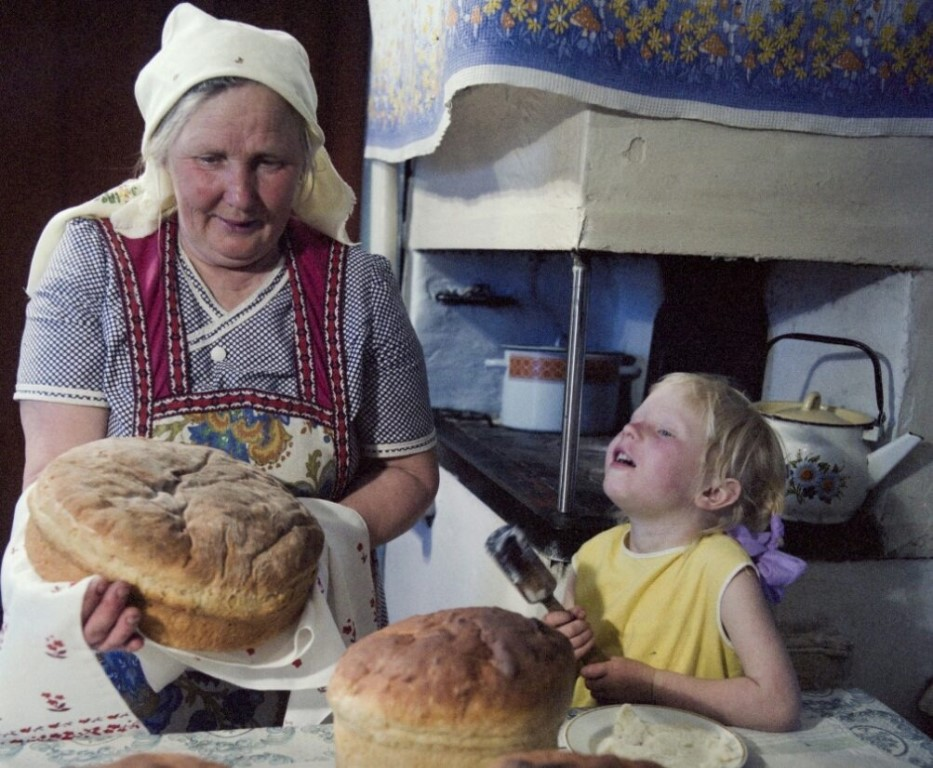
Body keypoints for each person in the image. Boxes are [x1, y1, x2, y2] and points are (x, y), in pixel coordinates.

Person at [4, 3, 438, 738]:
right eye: (211, 159)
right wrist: (84, 596)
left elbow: (412, 474)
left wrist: (306, 542)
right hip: (127, 651)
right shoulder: (92, 267)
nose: (240, 194)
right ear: (165, 157)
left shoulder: (359, 287)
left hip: (308, 653)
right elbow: (55, 478)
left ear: (304, 166)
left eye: (268, 162)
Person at [543, 372, 804, 732]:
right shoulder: (590, 557)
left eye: (664, 431)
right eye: (634, 421)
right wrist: (552, 651)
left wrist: (653, 685)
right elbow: (547, 684)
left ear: (713, 491)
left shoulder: (723, 570)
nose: (630, 431)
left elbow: (779, 707)